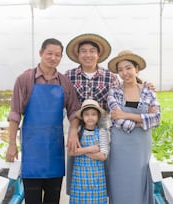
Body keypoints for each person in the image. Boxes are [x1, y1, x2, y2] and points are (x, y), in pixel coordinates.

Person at [5, 38, 80, 204]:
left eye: (57, 55)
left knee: (53, 199)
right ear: (41, 53)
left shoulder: (64, 82)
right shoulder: (25, 79)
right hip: (33, 150)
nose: (53, 58)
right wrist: (11, 144)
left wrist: (73, 131)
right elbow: (15, 113)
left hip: (54, 149)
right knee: (32, 200)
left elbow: (74, 111)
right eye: (49, 53)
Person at [64, 33, 120, 194]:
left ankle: (103, 193)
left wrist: (144, 85)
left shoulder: (110, 77)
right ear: (78, 55)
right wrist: (73, 130)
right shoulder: (69, 76)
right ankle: (76, 192)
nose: (88, 55)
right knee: (75, 155)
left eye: (92, 51)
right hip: (76, 122)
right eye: (83, 51)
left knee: (104, 157)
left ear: (98, 55)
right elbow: (66, 103)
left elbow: (120, 97)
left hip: (102, 122)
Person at [106, 50, 161, 204]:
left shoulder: (147, 91)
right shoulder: (114, 92)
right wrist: (144, 121)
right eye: (120, 70)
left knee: (139, 181)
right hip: (120, 146)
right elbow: (119, 122)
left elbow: (156, 119)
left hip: (141, 146)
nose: (124, 73)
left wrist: (126, 114)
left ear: (137, 69)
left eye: (128, 68)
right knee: (120, 181)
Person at [68, 99, 109, 204]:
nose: (90, 117)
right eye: (87, 114)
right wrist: (91, 149)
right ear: (82, 117)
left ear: (98, 117)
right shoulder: (77, 132)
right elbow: (71, 152)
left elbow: (103, 155)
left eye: (93, 114)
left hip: (97, 178)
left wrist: (81, 151)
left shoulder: (102, 132)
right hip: (80, 178)